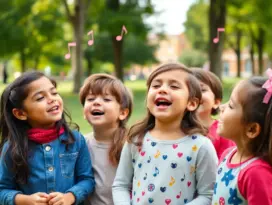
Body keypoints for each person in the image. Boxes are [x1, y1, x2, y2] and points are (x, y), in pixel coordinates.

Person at [112, 63, 218, 205]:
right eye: (156, 86)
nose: (162, 90)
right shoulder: (136, 140)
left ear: (192, 103)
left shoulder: (201, 146)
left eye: (174, 86)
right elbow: (121, 185)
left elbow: (208, 194)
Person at [0, 71, 95, 205]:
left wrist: (70, 196)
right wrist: (24, 200)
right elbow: (2, 190)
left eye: (54, 93)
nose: (52, 99)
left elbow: (87, 180)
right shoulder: (12, 147)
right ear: (21, 113)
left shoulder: (76, 140)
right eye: (40, 98)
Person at [212, 69, 272, 204]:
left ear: (252, 129)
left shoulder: (257, 175)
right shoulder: (227, 155)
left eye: (230, 105)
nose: (222, 107)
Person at [79, 73, 133, 205]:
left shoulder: (132, 144)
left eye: (106, 99)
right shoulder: (80, 144)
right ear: (84, 113)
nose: (96, 102)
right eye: (90, 99)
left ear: (122, 113)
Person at [191, 68, 235, 160]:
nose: (196, 94)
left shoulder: (223, 132)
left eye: (202, 90)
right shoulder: (176, 129)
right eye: (190, 90)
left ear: (216, 102)